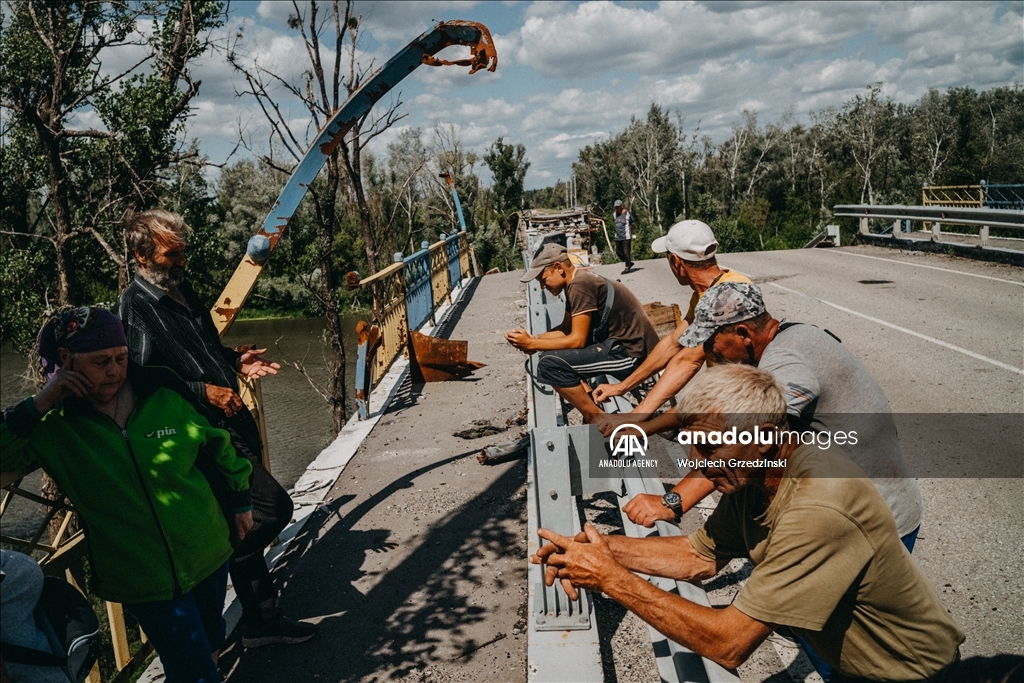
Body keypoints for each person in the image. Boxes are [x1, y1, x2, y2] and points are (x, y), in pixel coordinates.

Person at [532, 364, 964, 681]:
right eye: (691, 446)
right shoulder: (756, 477)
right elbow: (697, 556)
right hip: (857, 665)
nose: (694, 465)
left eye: (708, 449)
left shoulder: (819, 506)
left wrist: (612, 580)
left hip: (912, 671)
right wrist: (597, 550)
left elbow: (729, 644)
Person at [1, 308, 254, 683]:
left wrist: (240, 501)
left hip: (209, 549)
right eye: (101, 361)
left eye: (121, 358)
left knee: (210, 641)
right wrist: (40, 402)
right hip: (140, 576)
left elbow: (218, 445)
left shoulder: (160, 392)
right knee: (193, 670)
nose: (115, 370)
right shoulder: (54, 428)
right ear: (67, 361)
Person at [114, 209, 315, 648]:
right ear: (141, 255)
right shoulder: (135, 307)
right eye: (173, 253)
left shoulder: (180, 289)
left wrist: (233, 361)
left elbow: (202, 348)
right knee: (272, 510)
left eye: (183, 251)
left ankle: (262, 620)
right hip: (203, 431)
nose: (182, 260)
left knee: (244, 518)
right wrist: (203, 393)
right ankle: (215, 570)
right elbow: (141, 375)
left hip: (231, 417)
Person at [592, 220, 751, 432]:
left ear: (676, 261)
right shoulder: (708, 292)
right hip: (728, 396)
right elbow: (673, 344)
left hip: (743, 403)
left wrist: (634, 417)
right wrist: (622, 387)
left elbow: (688, 360)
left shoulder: (725, 295)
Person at [506, 242, 659, 423]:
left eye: (543, 279)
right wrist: (534, 339)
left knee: (549, 365)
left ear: (558, 268)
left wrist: (532, 345)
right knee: (552, 355)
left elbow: (577, 340)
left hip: (632, 354)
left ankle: (600, 421)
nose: (542, 287)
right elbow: (566, 329)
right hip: (621, 347)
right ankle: (593, 404)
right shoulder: (577, 281)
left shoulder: (580, 285)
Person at [612, 200, 635, 273]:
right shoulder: (614, 214)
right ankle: (629, 263)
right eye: (616, 207)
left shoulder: (627, 213)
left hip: (626, 236)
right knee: (618, 252)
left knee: (626, 252)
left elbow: (632, 224)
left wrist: (630, 233)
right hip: (618, 236)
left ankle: (627, 267)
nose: (617, 208)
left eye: (618, 207)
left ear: (622, 206)